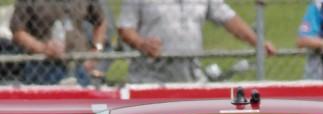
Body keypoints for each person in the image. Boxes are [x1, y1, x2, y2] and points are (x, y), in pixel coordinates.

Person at [117, 0, 276, 84]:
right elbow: (125, 28)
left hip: (190, 78)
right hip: (150, 79)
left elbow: (227, 18)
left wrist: (257, 42)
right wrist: (141, 43)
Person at [10, 0, 107, 85]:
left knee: (81, 104)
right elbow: (18, 31)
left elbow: (100, 22)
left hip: (79, 66)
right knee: (47, 104)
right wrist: (42, 48)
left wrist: (96, 51)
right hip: (43, 68)